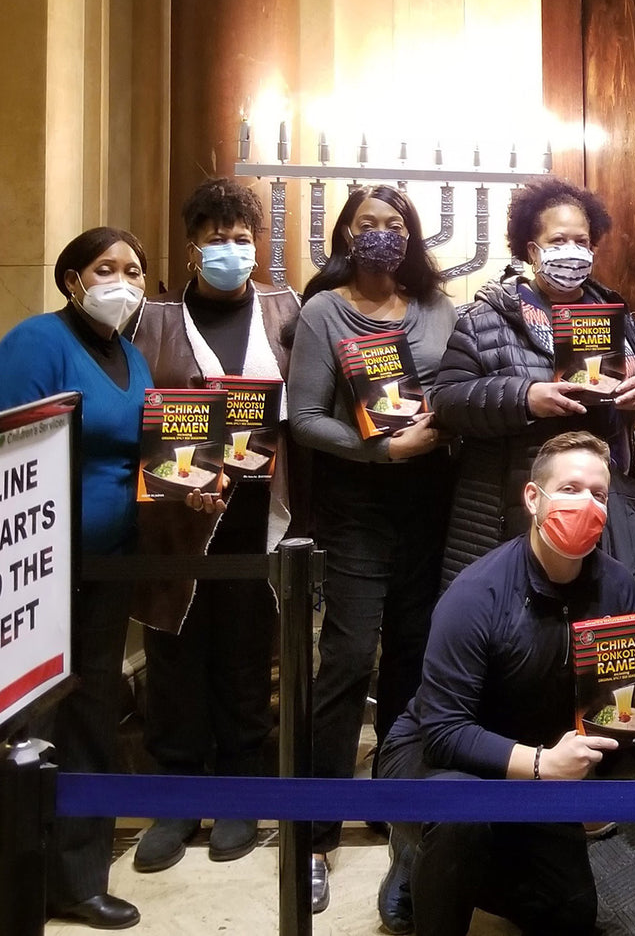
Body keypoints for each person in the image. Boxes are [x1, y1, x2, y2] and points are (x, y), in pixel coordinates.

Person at [376, 432, 635, 935]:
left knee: (569, 915)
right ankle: (417, 854)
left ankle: (460, 860)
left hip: (540, 760)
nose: (586, 503)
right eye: (569, 488)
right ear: (532, 499)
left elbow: (617, 706)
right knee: (461, 818)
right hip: (436, 758)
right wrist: (542, 764)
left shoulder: (620, 585)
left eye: (599, 494)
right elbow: (444, 731)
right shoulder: (476, 593)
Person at [288, 185, 457, 912]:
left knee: (413, 658)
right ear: (346, 234)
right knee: (349, 658)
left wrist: (441, 424)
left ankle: (395, 805)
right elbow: (302, 419)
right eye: (368, 225)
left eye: (394, 225)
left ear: (411, 235)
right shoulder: (324, 310)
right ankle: (316, 832)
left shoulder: (437, 308)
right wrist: (380, 449)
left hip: (430, 504)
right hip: (356, 505)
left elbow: (456, 388)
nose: (382, 235)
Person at [128, 177, 299, 871]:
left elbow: (309, 404)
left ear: (256, 243)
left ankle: (237, 789)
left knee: (245, 650)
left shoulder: (286, 310)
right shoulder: (151, 320)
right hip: (176, 517)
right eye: (214, 237)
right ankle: (175, 798)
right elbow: (136, 411)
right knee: (174, 650)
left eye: (240, 236)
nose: (229, 249)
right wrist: (183, 478)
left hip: (260, 514)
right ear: (191, 245)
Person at [0, 229, 158, 929]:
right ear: (72, 279)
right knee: (31, 719)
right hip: (37, 566)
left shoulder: (133, 355)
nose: (120, 281)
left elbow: (147, 454)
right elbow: (15, 445)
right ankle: (21, 872)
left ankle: (78, 875)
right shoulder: (37, 342)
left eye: (133, 270)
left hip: (110, 562)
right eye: (105, 268)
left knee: (93, 711)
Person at [432, 177, 635, 589]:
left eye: (582, 240)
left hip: (605, 509)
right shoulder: (485, 318)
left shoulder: (617, 316)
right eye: (558, 240)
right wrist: (524, 397)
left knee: (595, 624)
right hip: (510, 512)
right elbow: (448, 400)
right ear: (531, 249)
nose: (573, 251)